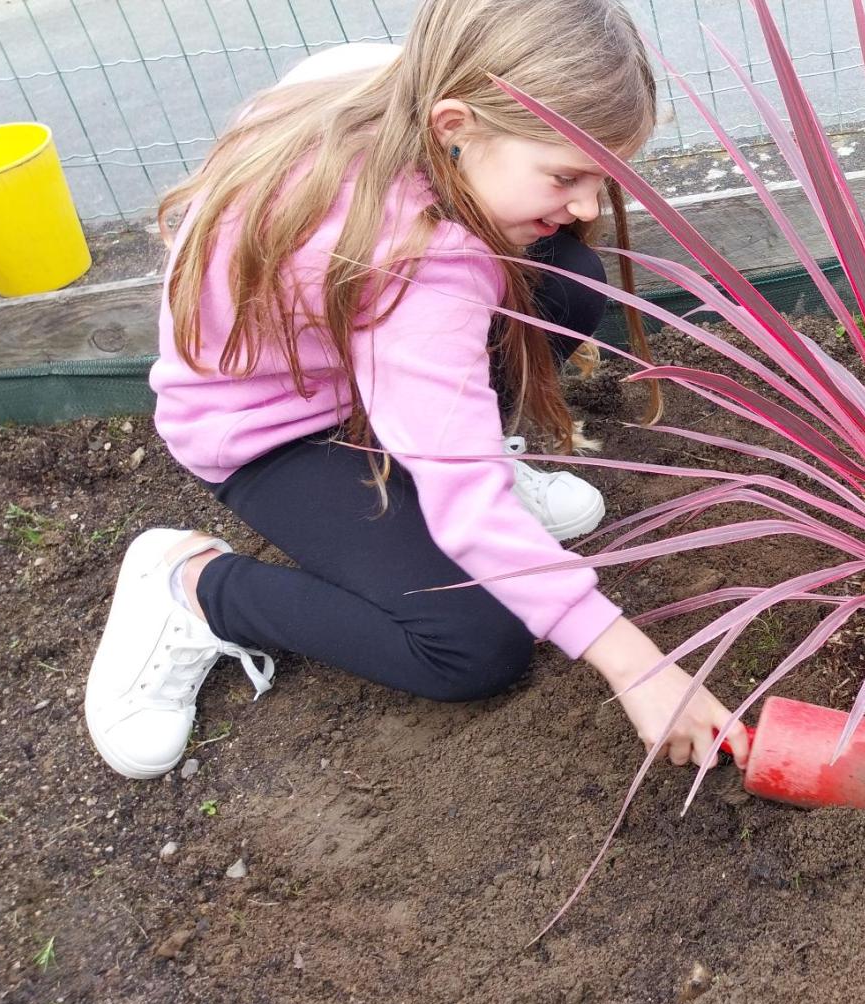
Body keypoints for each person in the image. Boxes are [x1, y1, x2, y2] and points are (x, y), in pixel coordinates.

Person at [83, 0, 750, 781]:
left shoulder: (382, 80)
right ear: (454, 125)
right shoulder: (418, 262)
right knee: (473, 644)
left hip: (361, 367)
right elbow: (462, 481)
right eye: (566, 175)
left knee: (566, 280)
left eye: (601, 178)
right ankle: (192, 589)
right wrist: (639, 665)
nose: (587, 205)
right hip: (267, 432)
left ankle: (446, 456)